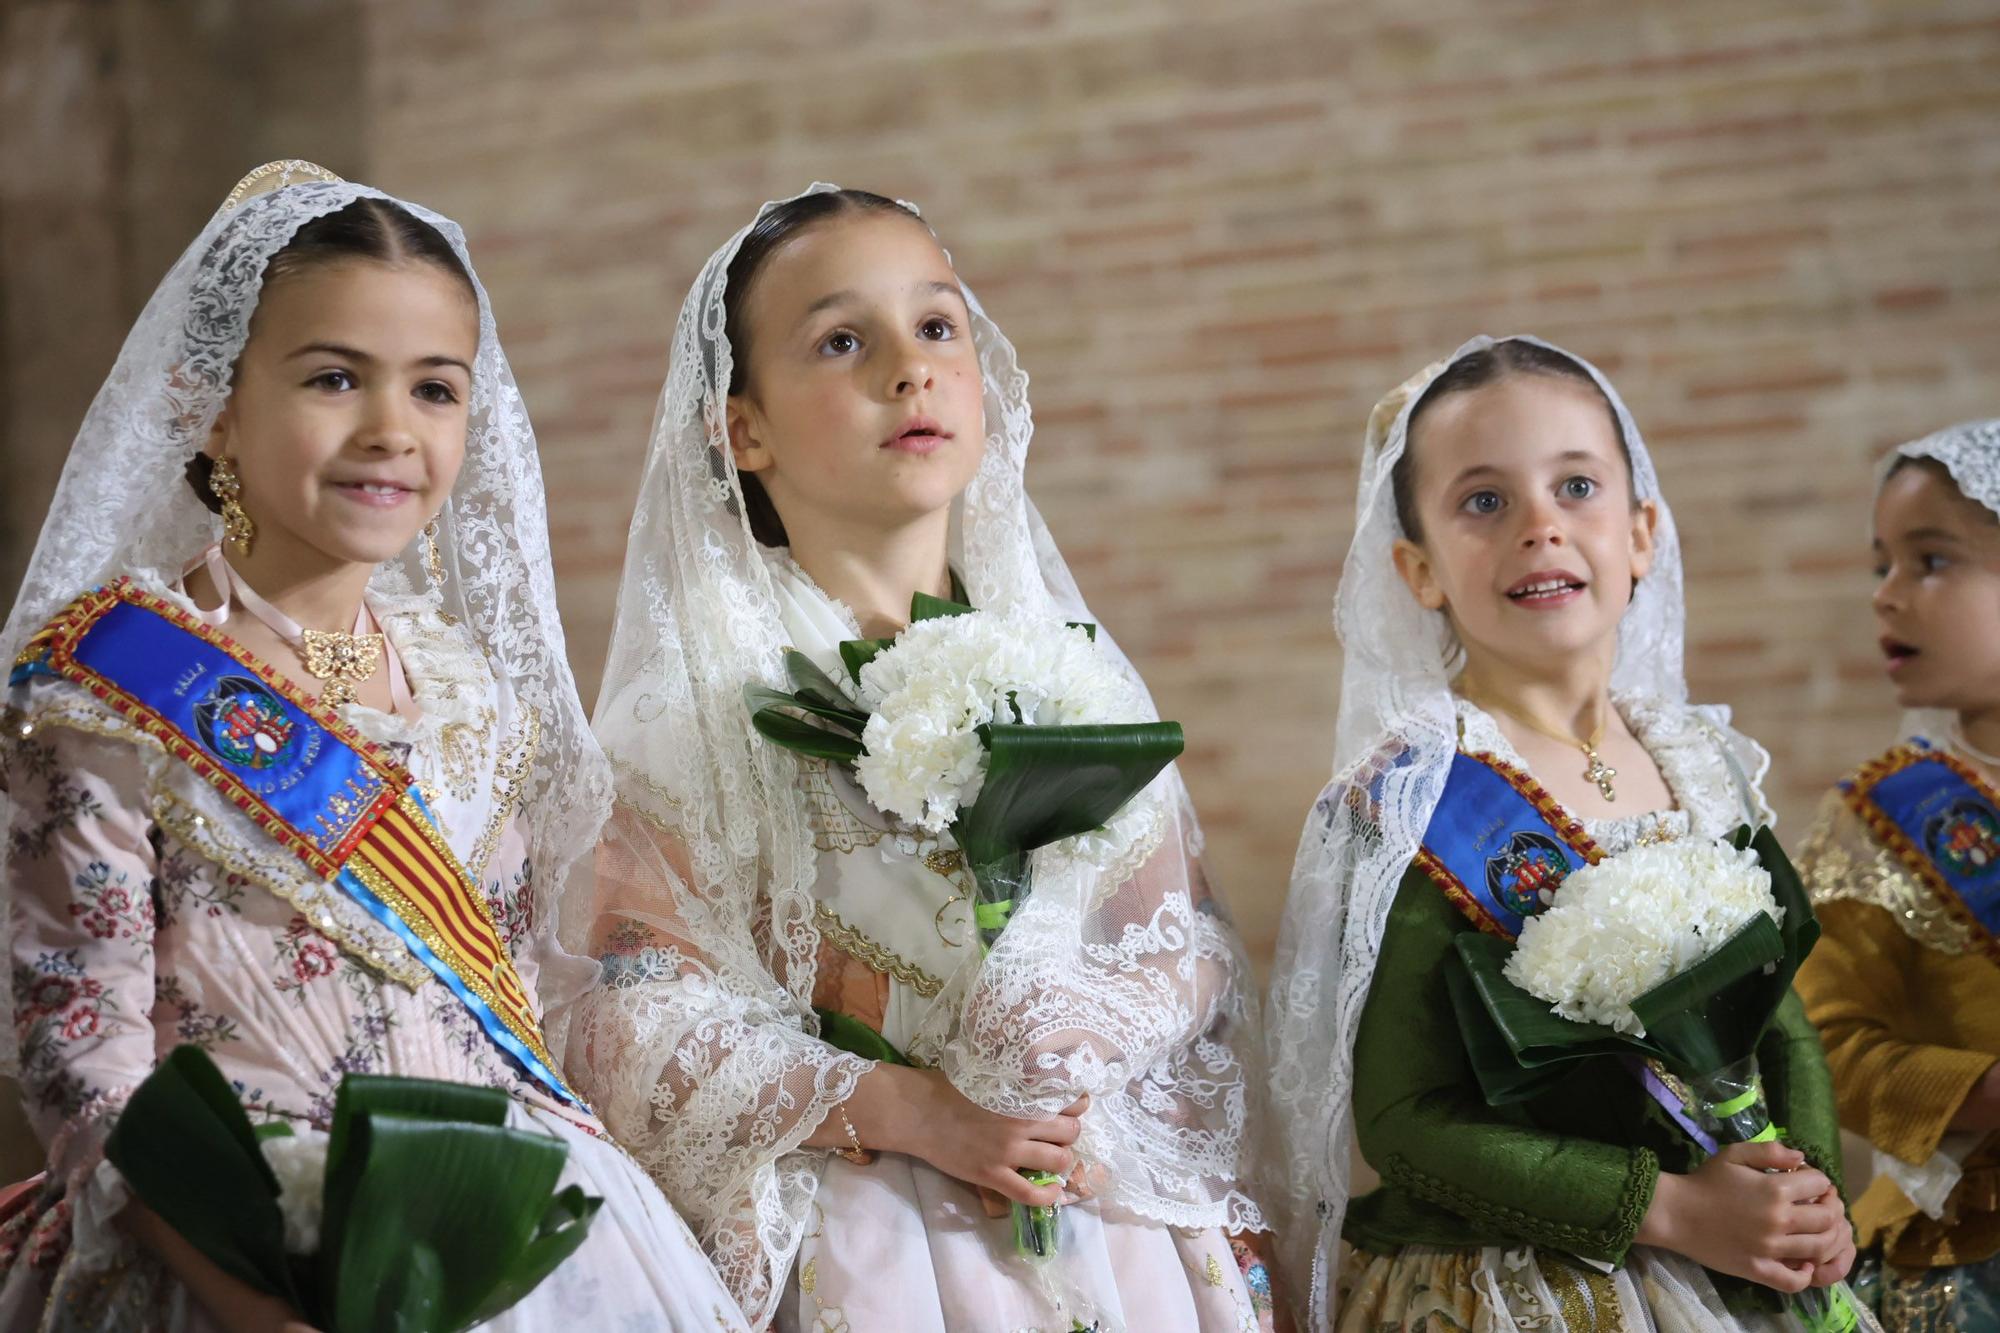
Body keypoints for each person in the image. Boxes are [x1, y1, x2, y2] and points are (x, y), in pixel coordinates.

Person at [0, 161, 746, 1332]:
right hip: (224, 1251)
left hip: (487, 1237)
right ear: (214, 402)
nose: (391, 431)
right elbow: (79, 1052)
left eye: (436, 390)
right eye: (335, 378)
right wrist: (248, 1301)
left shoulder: (471, 690)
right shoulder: (112, 676)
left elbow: (506, 999)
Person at [558, 184, 1279, 1332]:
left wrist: (1082, 1025)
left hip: (1096, 1210)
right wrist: (907, 1106)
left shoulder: (1068, 669)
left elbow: (1185, 943)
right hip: (873, 1231)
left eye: (937, 326)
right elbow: (624, 1020)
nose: (910, 369)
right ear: (739, 426)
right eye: (842, 340)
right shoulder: (689, 714)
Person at [1264, 336, 1857, 1331]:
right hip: (1520, 1281)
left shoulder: (1699, 761)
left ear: (1640, 532)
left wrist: (1810, 1201)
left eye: (1574, 485)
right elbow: (1402, 1122)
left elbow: (1781, 1025)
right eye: (1483, 502)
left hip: (1747, 1256)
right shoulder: (1410, 799)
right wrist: (1668, 1208)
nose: (1538, 526)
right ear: (1418, 568)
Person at [1795, 419, 2000, 1331]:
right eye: (1883, 563)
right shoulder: (1878, 818)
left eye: (1931, 561)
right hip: (1964, 1253)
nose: (1886, 596)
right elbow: (1823, 1043)